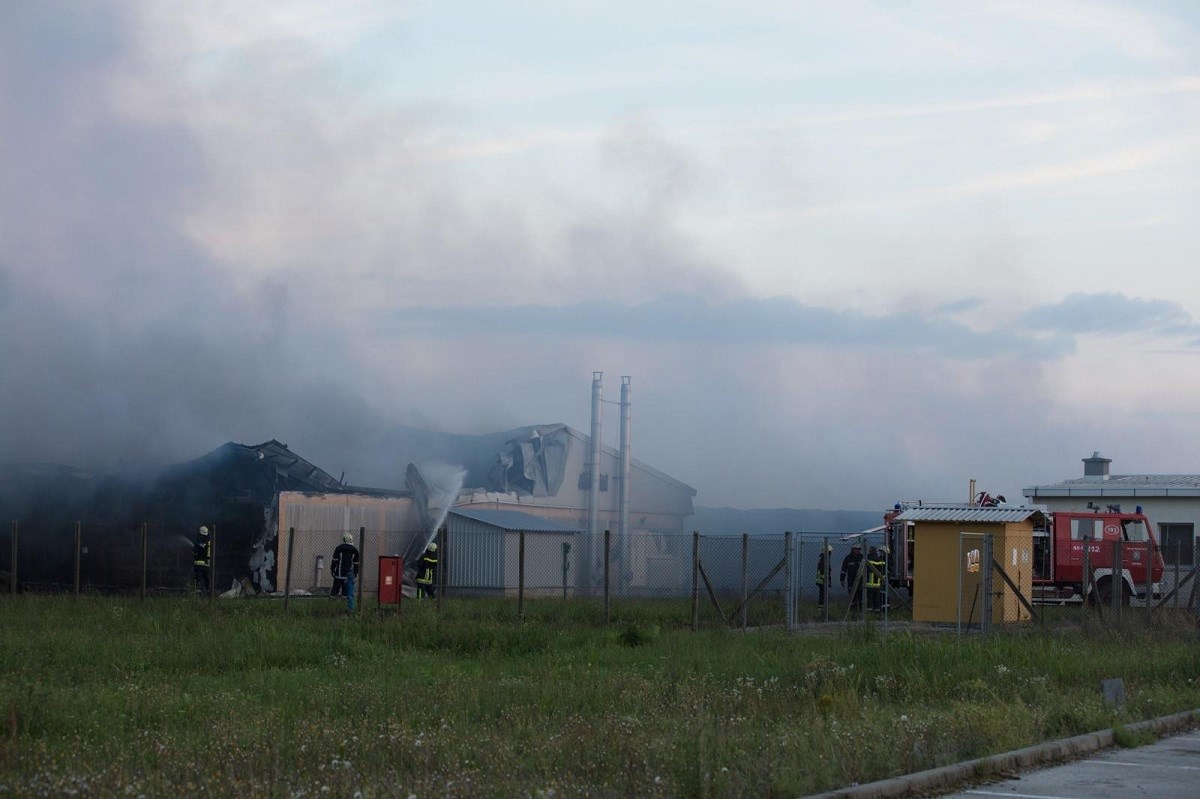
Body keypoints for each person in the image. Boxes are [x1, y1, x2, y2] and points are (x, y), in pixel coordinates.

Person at [330, 532, 360, 602]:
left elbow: (335, 561)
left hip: (338, 575)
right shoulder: (355, 550)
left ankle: (331, 606)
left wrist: (332, 569)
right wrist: (355, 573)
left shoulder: (338, 548)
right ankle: (344, 607)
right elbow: (356, 564)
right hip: (349, 576)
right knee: (346, 593)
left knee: (334, 592)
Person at [840, 543, 863, 610]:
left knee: (861, 597)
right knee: (852, 597)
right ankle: (853, 611)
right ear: (852, 549)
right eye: (855, 549)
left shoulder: (862, 557)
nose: (857, 551)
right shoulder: (848, 558)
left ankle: (862, 613)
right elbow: (843, 569)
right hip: (851, 580)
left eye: (858, 549)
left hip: (860, 581)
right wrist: (842, 579)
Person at [866, 546, 886, 612]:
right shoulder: (879, 558)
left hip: (869, 581)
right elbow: (883, 568)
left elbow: (866, 569)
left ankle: (869, 608)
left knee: (870, 596)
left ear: (870, 551)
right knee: (877, 596)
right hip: (878, 581)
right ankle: (877, 609)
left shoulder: (868, 558)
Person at [193, 526, 211, 593]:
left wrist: (195, 550)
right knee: (207, 582)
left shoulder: (199, 543)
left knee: (198, 582)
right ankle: (209, 597)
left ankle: (197, 597)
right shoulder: (209, 543)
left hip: (199, 566)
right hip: (207, 566)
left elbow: (195, 554)